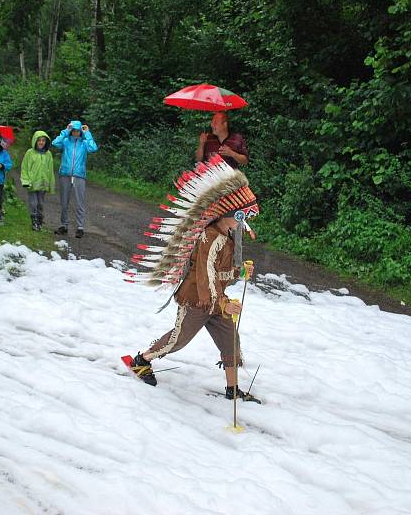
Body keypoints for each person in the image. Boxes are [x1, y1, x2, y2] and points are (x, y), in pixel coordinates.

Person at [126, 154, 261, 402]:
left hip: (217, 299)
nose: (243, 224)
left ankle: (233, 390)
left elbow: (220, 274)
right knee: (178, 340)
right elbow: (204, 276)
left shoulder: (227, 236)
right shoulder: (209, 237)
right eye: (241, 217)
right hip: (196, 300)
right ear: (226, 213)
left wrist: (239, 273)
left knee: (231, 341)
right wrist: (222, 303)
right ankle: (141, 360)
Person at [51, 120, 98, 238]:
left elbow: (93, 148)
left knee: (80, 202)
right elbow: (55, 143)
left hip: (79, 175)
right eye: (74, 131)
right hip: (65, 174)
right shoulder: (66, 141)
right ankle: (64, 226)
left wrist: (87, 133)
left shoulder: (84, 143)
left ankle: (80, 227)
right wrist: (65, 131)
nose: (76, 133)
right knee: (64, 201)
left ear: (80, 132)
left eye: (78, 131)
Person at [20, 130, 56, 231]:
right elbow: (24, 168)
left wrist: (51, 185)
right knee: (33, 203)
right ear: (35, 141)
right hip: (32, 184)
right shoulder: (30, 153)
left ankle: (40, 220)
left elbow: (50, 170)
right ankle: (34, 221)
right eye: (39, 140)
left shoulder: (48, 154)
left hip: (43, 184)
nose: (41, 142)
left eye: (43, 140)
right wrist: (26, 181)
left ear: (46, 142)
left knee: (41, 203)